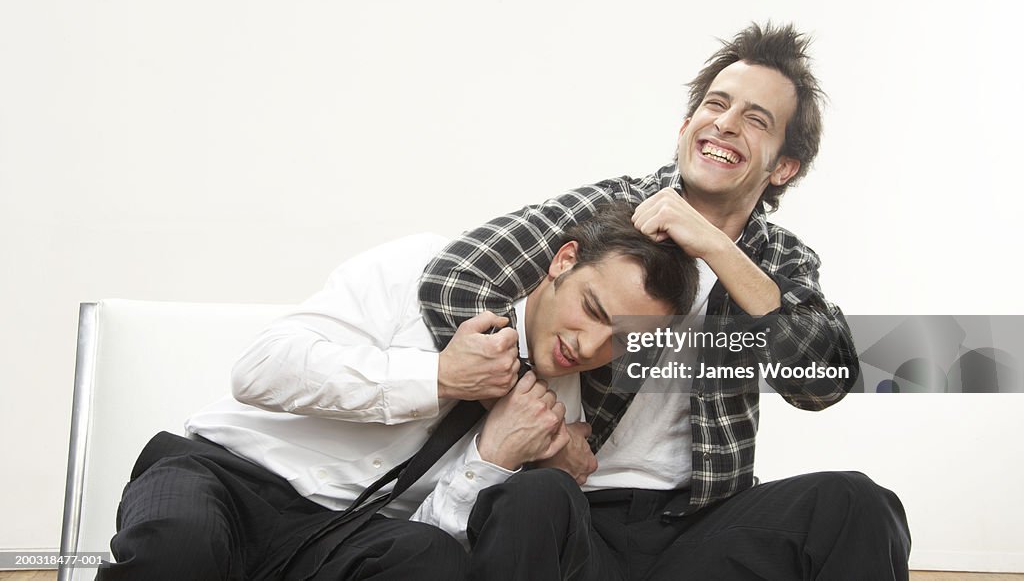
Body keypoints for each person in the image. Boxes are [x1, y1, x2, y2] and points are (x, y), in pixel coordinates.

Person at [418, 23, 912, 579]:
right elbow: (455, 280)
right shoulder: (612, 209)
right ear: (686, 126)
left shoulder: (779, 261)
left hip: (702, 521)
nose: (725, 123)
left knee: (857, 505)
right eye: (716, 105)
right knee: (530, 499)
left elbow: (823, 382)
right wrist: (544, 428)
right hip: (576, 508)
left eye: (755, 119)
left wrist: (717, 248)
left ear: (783, 167)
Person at [96, 205, 697, 581]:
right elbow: (260, 369)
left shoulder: (553, 417)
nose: (590, 345)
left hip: (348, 540)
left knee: (426, 562)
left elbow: (441, 536)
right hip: (232, 476)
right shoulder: (421, 269)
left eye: (620, 340)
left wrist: (492, 460)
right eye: (591, 309)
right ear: (563, 261)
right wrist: (437, 379)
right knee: (180, 547)